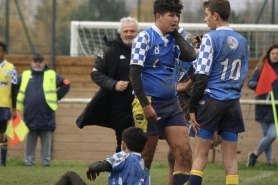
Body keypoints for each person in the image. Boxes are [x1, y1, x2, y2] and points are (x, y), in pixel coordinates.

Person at [129, 0, 196, 184]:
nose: (175, 19)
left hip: (172, 103)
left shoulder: (174, 37)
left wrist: (176, 33)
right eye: (171, 15)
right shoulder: (144, 38)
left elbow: (191, 56)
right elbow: (134, 75)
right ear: (158, 16)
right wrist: (145, 105)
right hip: (150, 102)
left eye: (177, 16)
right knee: (145, 158)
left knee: (184, 153)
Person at [187, 0, 249, 185]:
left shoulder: (209, 38)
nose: (205, 19)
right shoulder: (243, 41)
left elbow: (202, 76)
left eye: (206, 15)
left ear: (215, 15)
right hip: (233, 103)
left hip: (212, 100)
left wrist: (192, 107)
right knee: (230, 161)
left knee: (200, 156)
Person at [76, 16, 140, 153]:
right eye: (126, 31)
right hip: (121, 107)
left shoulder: (146, 50)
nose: (129, 34)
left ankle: (140, 173)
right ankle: (119, 173)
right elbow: (96, 73)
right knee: (124, 144)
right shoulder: (110, 51)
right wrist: (114, 84)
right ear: (120, 33)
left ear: (138, 32)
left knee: (144, 144)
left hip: (145, 105)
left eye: (132, 31)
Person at [17, 54, 70, 166]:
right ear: (31, 63)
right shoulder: (25, 75)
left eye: (40, 61)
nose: (37, 63)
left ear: (43, 63)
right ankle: (29, 162)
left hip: (46, 114)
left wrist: (57, 97)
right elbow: (14, 86)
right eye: (35, 61)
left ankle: (45, 162)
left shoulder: (51, 74)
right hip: (30, 114)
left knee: (47, 141)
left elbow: (66, 83)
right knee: (30, 140)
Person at [54, 127, 150, 185]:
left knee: (69, 175)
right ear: (143, 148)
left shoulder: (123, 156)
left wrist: (92, 167)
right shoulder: (145, 170)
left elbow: (104, 165)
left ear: (123, 145)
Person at [247, 44, 278, 167]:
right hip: (263, 106)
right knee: (267, 136)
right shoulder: (261, 67)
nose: (275, 56)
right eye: (273, 53)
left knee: (272, 135)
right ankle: (270, 161)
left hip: (276, 107)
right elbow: (251, 83)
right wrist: (260, 85)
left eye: (277, 54)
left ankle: (254, 155)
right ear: (269, 54)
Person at [0, 42, 18, 167]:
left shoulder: (11, 68)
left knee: (3, 133)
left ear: (4, 52)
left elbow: (14, 89)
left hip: (4, 106)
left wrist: (14, 108)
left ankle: (3, 161)